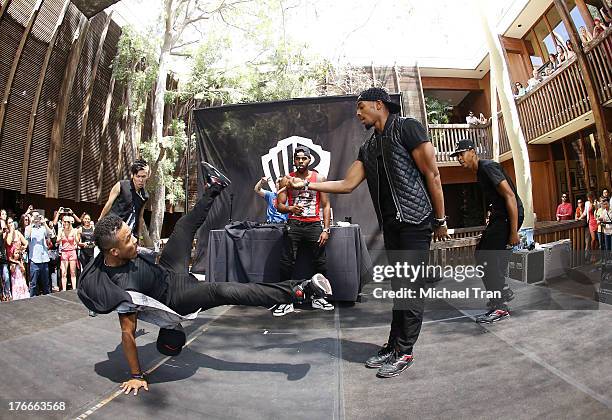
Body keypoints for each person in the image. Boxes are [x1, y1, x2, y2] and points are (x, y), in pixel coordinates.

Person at [77, 162, 333, 395]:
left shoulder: (113, 251)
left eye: (130, 235)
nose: (134, 239)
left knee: (182, 228)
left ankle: (215, 187)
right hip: (177, 297)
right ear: (114, 252)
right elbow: (127, 334)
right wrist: (135, 375)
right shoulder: (122, 290)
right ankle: (299, 290)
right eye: (128, 240)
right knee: (223, 290)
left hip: (168, 271)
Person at [284, 87, 449, 378]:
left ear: (379, 104)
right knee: (400, 288)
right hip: (393, 226)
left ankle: (405, 350)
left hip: (415, 221)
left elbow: (432, 174)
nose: (358, 114)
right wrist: (307, 185)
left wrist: (440, 220)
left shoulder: (407, 128)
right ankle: (394, 344)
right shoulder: (369, 147)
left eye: (361, 107)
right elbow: (347, 184)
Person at [452, 139, 523, 323]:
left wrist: (513, 231)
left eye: (462, 154)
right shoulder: (480, 173)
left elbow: (510, 196)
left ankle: (500, 306)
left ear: (473, 151)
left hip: (509, 217)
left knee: (486, 258)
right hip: (500, 218)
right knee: (482, 255)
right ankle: (500, 294)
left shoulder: (487, 167)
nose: (460, 158)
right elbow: (496, 201)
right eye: (457, 155)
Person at [276, 146, 334, 316]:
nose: (300, 161)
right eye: (297, 158)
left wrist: (326, 229)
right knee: (287, 263)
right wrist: (291, 209)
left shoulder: (319, 178)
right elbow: (279, 206)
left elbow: (326, 205)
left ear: (309, 160)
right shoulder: (287, 180)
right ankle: (286, 300)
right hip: (294, 224)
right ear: (294, 160)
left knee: (320, 262)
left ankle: (319, 297)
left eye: (304, 158)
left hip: (314, 224)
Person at [99, 159, 150, 240]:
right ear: (133, 175)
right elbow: (108, 204)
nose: (141, 180)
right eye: (138, 176)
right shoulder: (121, 185)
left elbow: (140, 216)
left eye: (143, 176)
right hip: (113, 229)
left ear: (147, 176)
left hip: (130, 233)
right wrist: (99, 221)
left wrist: (139, 236)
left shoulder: (145, 195)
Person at [24, 211, 53, 296]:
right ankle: (31, 300)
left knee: (46, 283)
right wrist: (31, 222)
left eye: (38, 216)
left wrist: (44, 223)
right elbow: (27, 236)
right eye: (35, 216)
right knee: (33, 283)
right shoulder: (29, 228)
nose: (37, 218)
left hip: (44, 259)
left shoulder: (43, 228)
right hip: (34, 260)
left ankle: (48, 299)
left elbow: (50, 234)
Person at [58, 215, 80, 291]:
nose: (66, 223)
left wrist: (75, 236)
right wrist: (61, 237)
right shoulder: (61, 230)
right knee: (63, 273)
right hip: (64, 252)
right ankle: (64, 290)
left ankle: (74, 289)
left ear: (70, 222)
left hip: (72, 252)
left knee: (73, 272)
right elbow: (57, 241)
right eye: (65, 221)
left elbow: (77, 242)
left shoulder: (74, 230)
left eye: (68, 221)